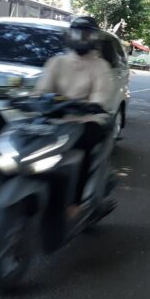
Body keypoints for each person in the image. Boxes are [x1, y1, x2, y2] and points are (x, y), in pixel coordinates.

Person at [35, 16, 114, 216]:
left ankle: (75, 204)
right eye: (77, 32)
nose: (81, 38)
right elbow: (41, 91)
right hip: (56, 119)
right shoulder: (57, 62)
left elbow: (100, 98)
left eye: (85, 34)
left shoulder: (100, 66)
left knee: (83, 148)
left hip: (86, 121)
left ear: (94, 37)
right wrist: (35, 100)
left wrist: (89, 106)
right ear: (70, 35)